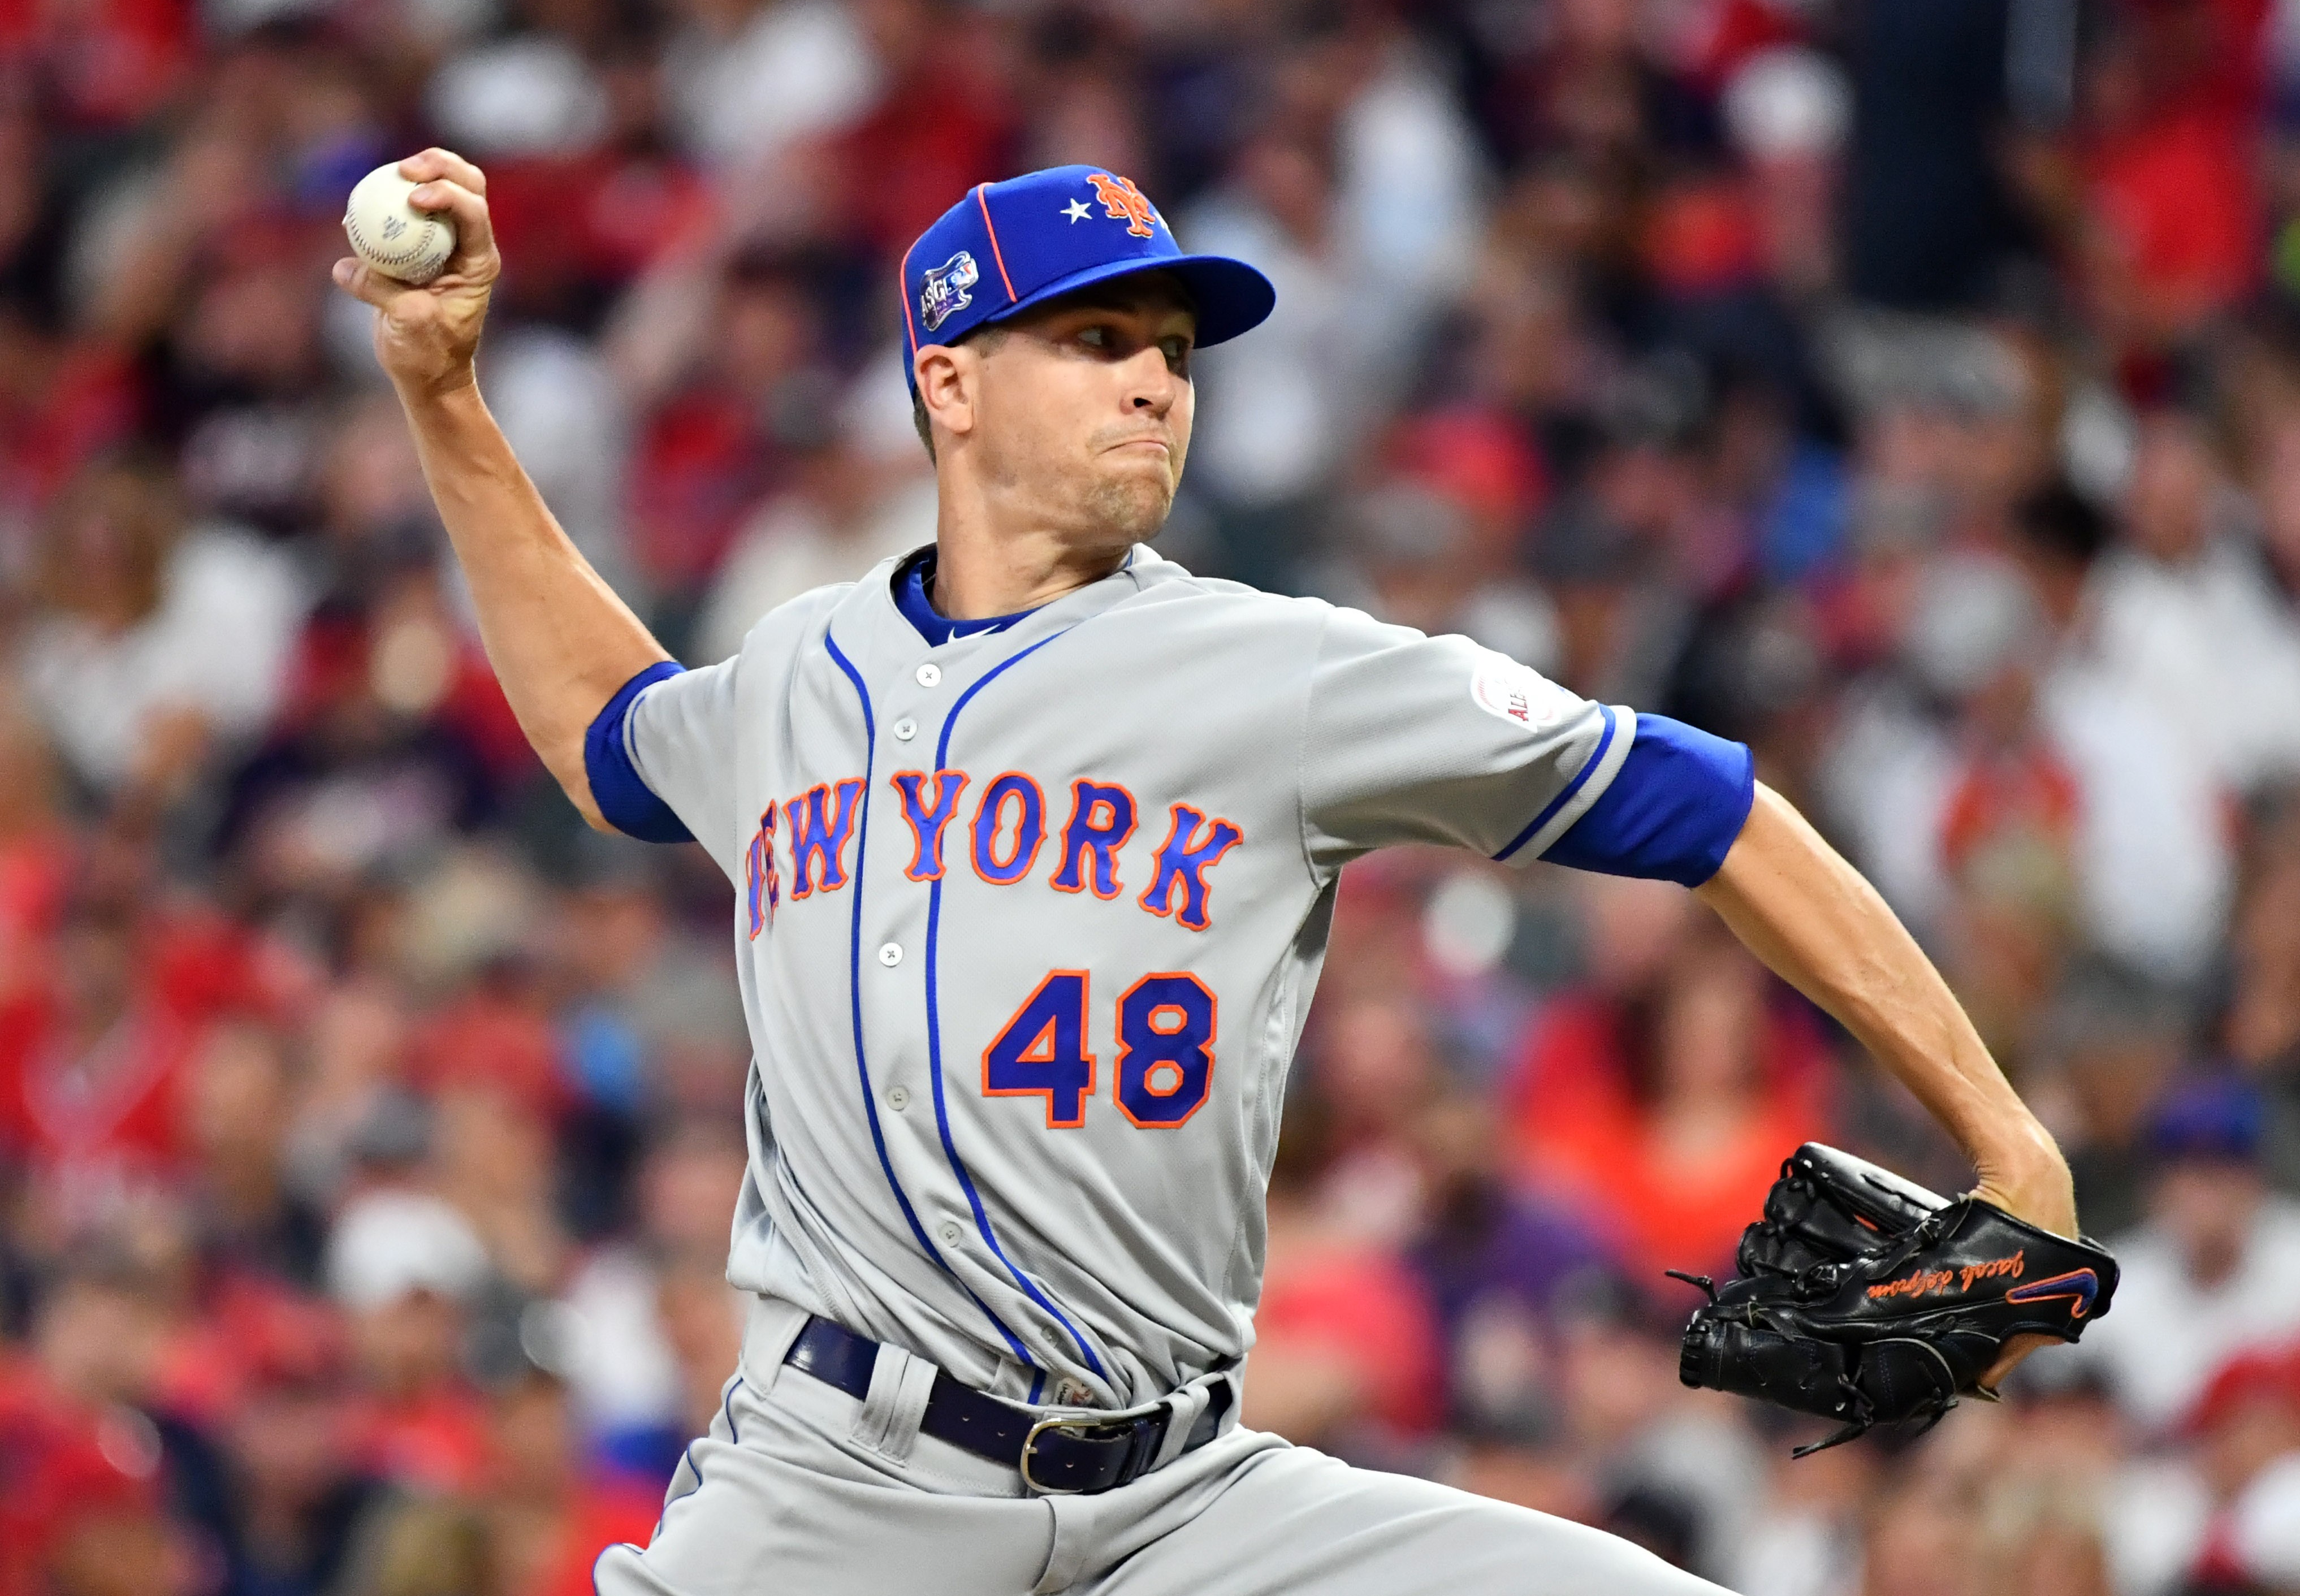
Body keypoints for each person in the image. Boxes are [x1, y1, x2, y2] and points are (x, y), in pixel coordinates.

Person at [334, 151, 2081, 1596]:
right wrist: (446, 395)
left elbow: (1711, 810)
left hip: (1190, 1503)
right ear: (947, 378)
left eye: (1173, 343)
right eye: (1096, 338)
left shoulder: (1285, 673)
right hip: (836, 1497)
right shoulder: (797, 670)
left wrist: (2004, 1137)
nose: (1156, 379)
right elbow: (612, 733)